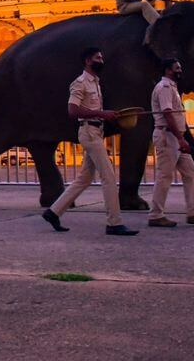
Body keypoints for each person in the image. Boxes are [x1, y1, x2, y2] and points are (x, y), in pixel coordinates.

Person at [42, 47, 138, 236]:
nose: (101, 60)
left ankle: (53, 212)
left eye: (101, 57)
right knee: (108, 176)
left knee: (84, 178)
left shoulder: (95, 83)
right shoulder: (80, 83)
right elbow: (72, 110)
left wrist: (108, 115)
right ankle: (114, 222)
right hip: (88, 132)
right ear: (87, 61)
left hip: (96, 131)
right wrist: (102, 113)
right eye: (97, 57)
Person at [148, 59, 194, 227]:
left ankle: (193, 211)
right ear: (168, 70)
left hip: (175, 137)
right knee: (165, 175)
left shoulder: (172, 88)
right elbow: (168, 114)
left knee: (191, 173)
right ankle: (156, 215)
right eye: (177, 68)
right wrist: (180, 138)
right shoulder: (164, 88)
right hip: (168, 136)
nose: (180, 71)